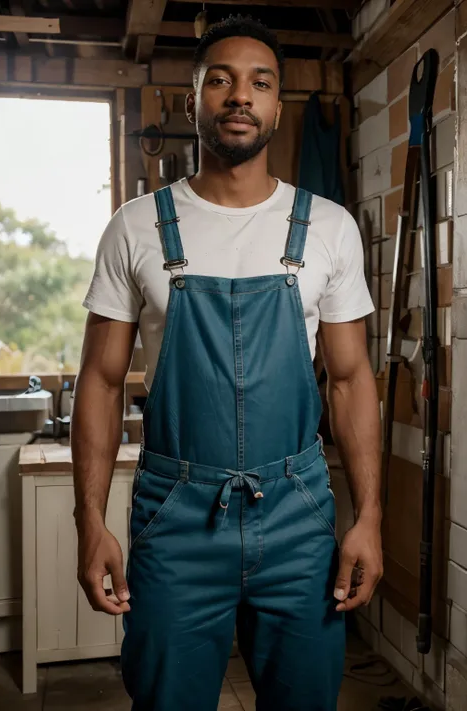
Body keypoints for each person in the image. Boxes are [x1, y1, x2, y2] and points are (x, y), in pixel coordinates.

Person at [72, 15, 383, 711]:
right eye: (221, 80)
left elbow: (351, 378)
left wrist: (369, 515)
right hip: (175, 516)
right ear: (194, 102)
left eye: (259, 83)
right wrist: (90, 523)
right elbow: (99, 380)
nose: (240, 95)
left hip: (299, 513)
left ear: (277, 106)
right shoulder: (136, 225)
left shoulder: (328, 227)